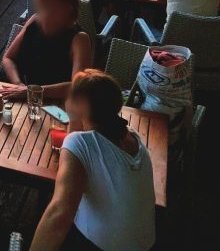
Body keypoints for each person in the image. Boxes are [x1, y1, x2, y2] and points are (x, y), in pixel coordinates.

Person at [31, 70, 156, 251]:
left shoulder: (80, 143)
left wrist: (74, 118)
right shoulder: (133, 138)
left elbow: (58, 215)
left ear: (80, 106)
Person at [0, 0, 91, 102]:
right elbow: (8, 58)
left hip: (51, 104)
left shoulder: (79, 39)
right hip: (16, 93)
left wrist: (31, 91)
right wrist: (18, 84)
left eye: (54, 11)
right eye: (44, 8)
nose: (47, 15)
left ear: (69, 10)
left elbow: (78, 87)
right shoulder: (34, 21)